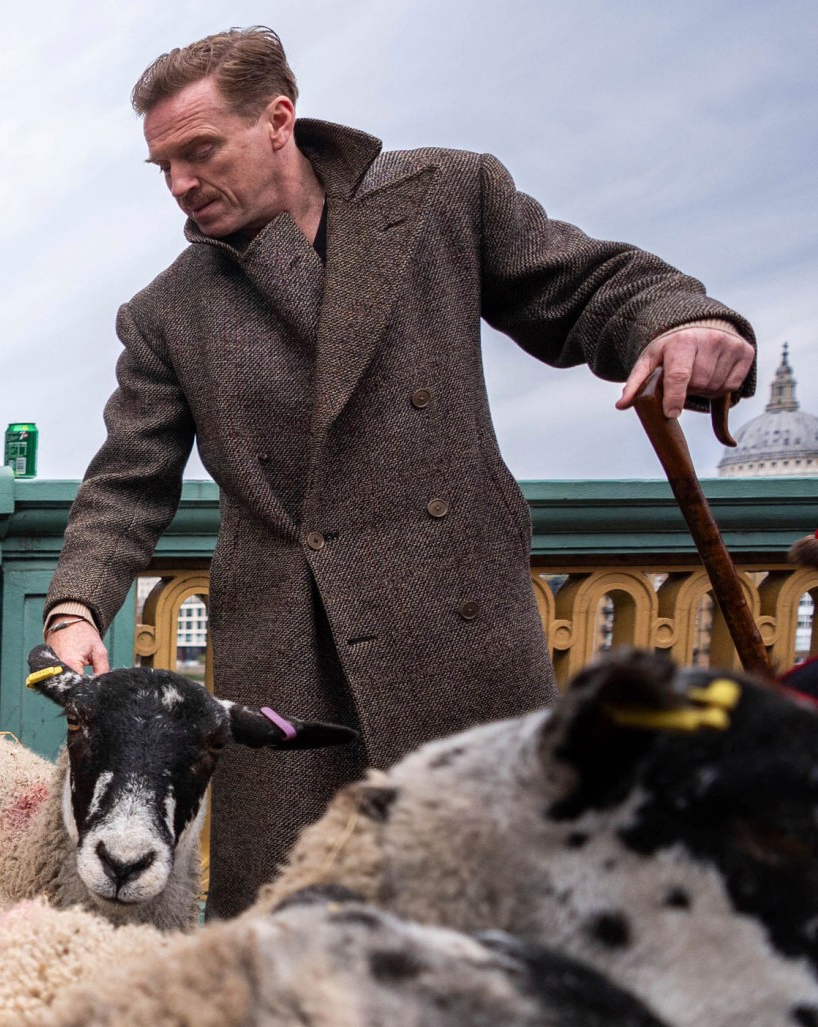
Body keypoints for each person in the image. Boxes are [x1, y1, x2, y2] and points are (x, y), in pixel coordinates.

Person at [42, 27, 755, 917]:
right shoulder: (165, 313)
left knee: (507, 915)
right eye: (163, 167)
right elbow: (127, 480)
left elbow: (584, 286)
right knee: (297, 933)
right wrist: (76, 605)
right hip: (292, 665)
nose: (182, 183)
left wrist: (677, 321)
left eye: (199, 151)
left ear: (278, 120)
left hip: (457, 632)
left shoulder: (444, 197)